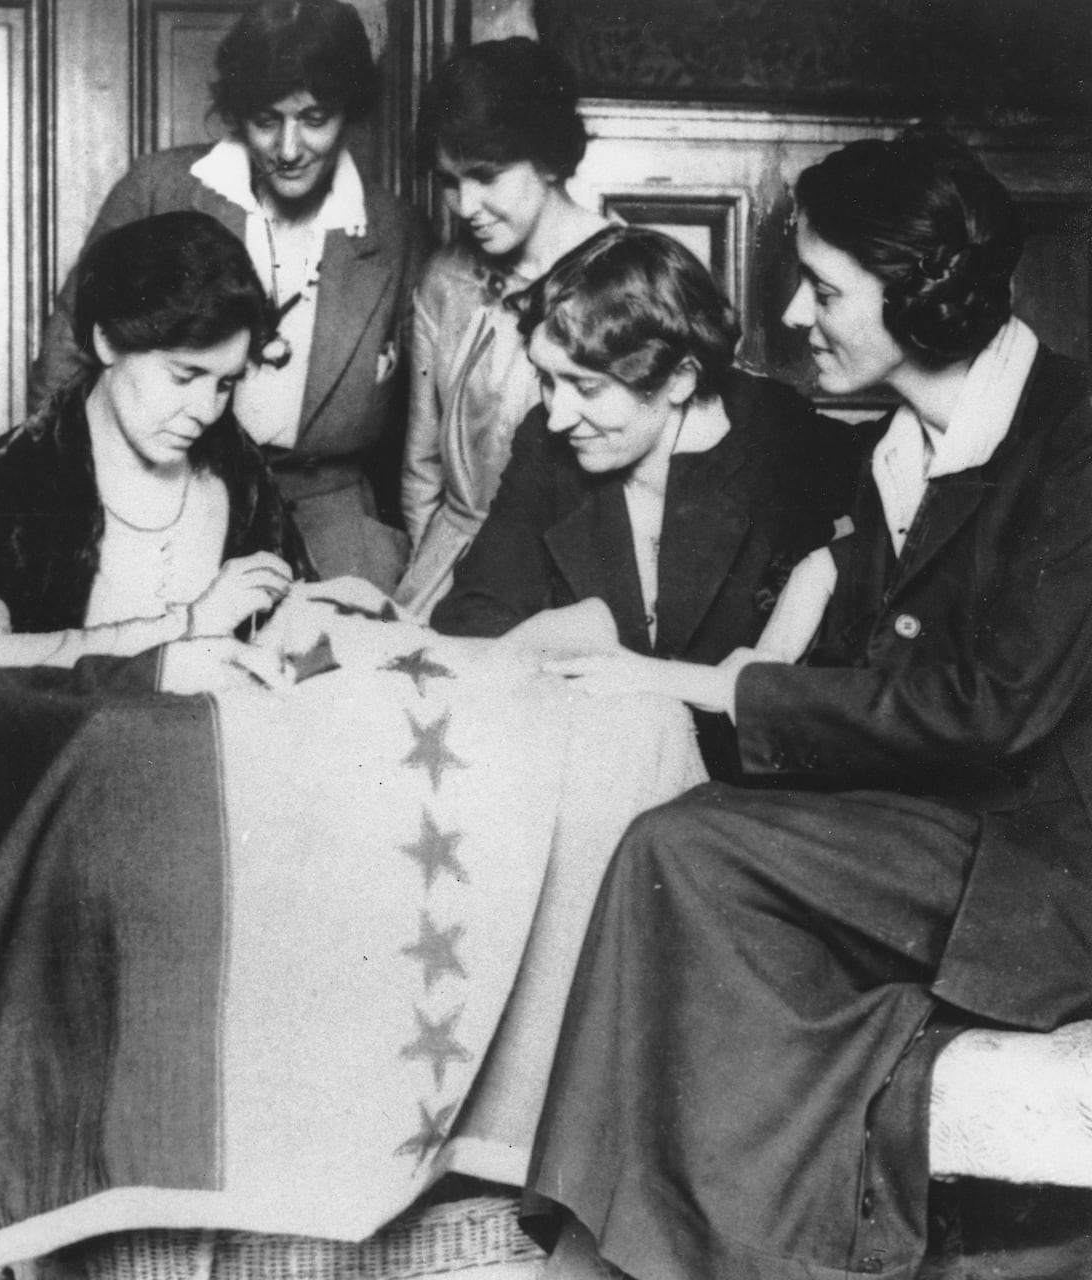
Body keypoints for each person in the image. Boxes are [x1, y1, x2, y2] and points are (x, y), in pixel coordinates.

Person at [526, 131, 1092, 1280]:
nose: (791, 314)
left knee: (680, 850)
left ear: (922, 299)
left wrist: (711, 682)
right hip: (933, 832)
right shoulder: (893, 452)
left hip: (1043, 867)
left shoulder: (1072, 438)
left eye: (824, 288)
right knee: (684, 854)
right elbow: (854, 666)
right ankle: (678, 1245)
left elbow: (989, 713)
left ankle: (604, 1255)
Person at [29, 0, 430, 592]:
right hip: (170, 493)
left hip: (333, 517)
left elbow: (411, 428)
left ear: (349, 112)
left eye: (314, 118)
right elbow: (70, 349)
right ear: (239, 112)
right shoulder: (160, 189)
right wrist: (67, 498)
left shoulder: (395, 231)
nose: (289, 148)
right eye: (268, 119)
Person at [432, 225, 858, 778]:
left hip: (746, 797)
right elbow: (474, 616)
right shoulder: (547, 441)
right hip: (591, 771)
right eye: (546, 379)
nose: (558, 415)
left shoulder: (782, 441)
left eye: (586, 388)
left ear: (680, 379)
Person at [0, 211, 310, 691]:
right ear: (107, 340)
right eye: (184, 376)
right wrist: (184, 628)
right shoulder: (11, 476)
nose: (206, 410)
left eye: (225, 384)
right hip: (65, 760)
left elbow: (306, 625)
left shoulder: (240, 469)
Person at [396, 38, 612, 616]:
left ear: (546, 158)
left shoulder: (627, 276)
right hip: (450, 573)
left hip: (574, 584)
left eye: (486, 176)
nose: (464, 205)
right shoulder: (444, 279)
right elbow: (423, 467)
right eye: (448, 180)